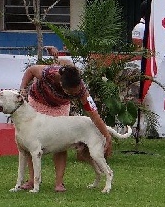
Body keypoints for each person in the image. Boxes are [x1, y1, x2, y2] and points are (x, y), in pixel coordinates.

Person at [18, 63, 113, 192]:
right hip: (38, 102)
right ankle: (31, 181)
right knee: (31, 143)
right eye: (71, 92)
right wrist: (23, 88)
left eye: (77, 90)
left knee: (61, 143)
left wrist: (107, 136)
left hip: (59, 107)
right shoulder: (48, 73)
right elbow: (30, 70)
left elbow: (93, 114)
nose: (75, 93)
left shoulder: (81, 90)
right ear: (62, 85)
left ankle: (59, 183)